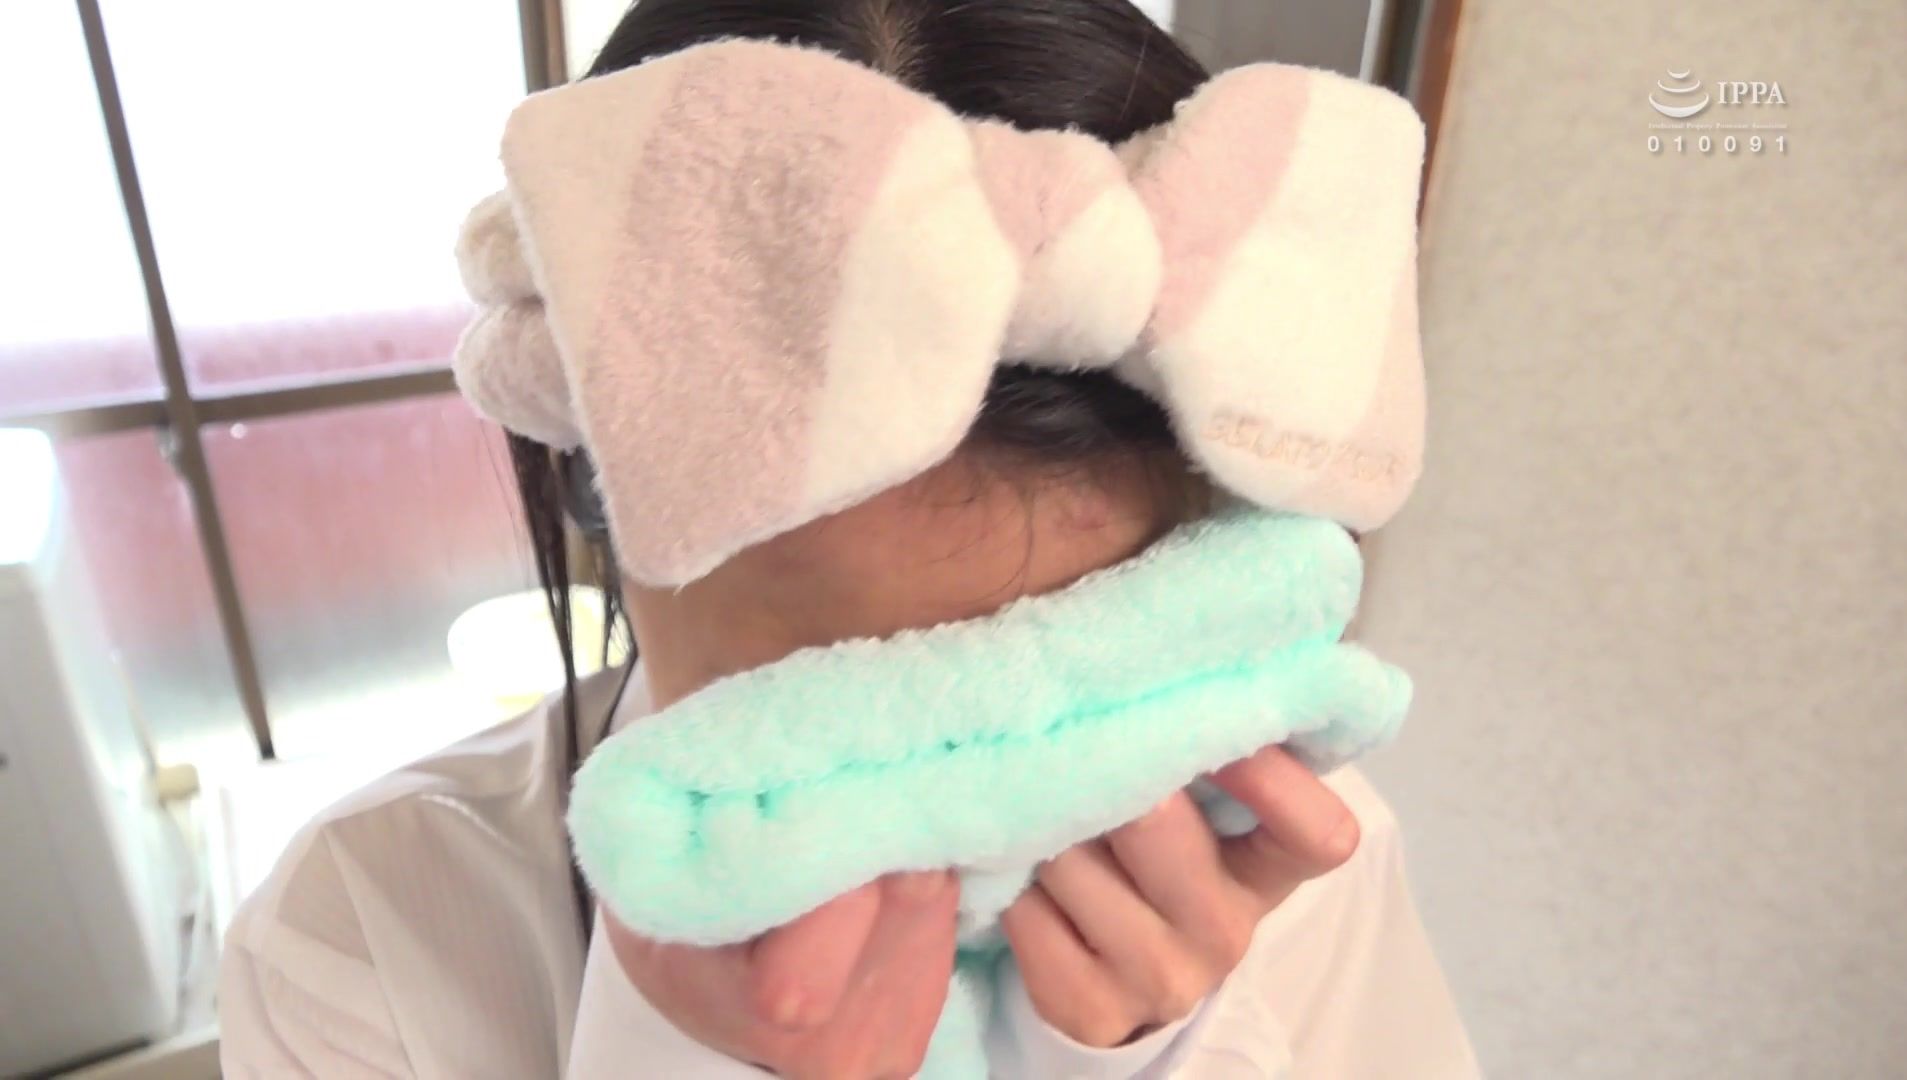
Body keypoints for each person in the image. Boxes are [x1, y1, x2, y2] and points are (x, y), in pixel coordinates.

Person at [218, 1, 1479, 1076]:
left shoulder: (1290, 864)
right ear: (599, 515)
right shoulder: (363, 928)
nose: (959, 831)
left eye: (1086, 708)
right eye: (824, 731)